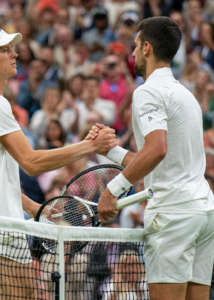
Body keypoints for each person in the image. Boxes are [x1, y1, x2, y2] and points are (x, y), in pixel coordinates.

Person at [0, 26, 115, 300]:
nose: (15, 53)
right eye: (5, 49)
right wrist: (90, 145)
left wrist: (36, 208)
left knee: (29, 294)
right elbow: (31, 162)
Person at [87, 17, 214, 300]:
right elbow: (157, 159)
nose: (131, 53)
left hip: (175, 216)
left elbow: (157, 149)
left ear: (146, 47)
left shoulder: (147, 92)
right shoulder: (186, 96)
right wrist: (110, 151)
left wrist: (113, 190)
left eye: (134, 46)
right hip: (203, 214)